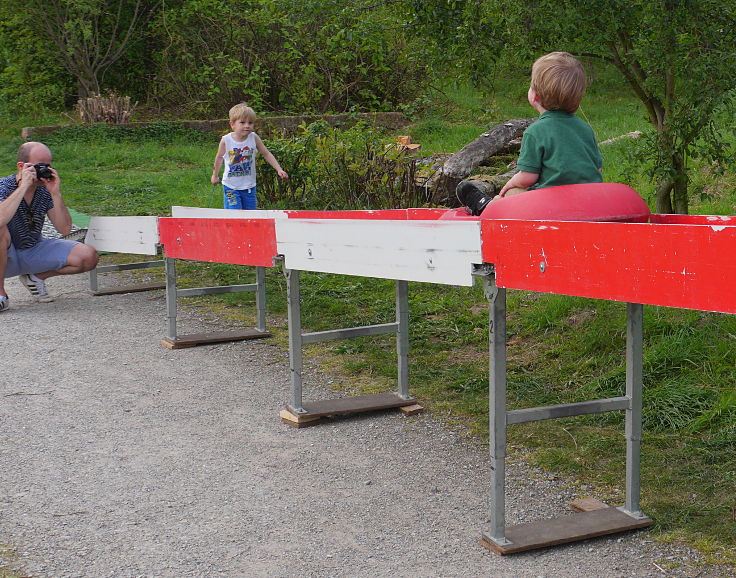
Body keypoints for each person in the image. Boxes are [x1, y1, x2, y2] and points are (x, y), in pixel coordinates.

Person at [0, 142, 99, 310]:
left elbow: (65, 229)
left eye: (48, 165)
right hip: (6, 253)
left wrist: (55, 193)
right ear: (21, 166)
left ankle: (36, 277)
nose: (43, 170)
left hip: (31, 248)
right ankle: (1, 293)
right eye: (39, 166)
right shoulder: (3, 186)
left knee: (88, 256)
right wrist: (23, 186)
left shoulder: (44, 191)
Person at [497, 51, 603, 197]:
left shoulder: (535, 132)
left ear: (535, 96)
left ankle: (483, 205)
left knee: (511, 194)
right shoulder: (585, 129)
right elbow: (597, 170)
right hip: (588, 198)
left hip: (552, 201)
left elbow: (527, 178)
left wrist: (510, 183)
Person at [211, 103, 288, 210]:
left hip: (249, 187)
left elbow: (266, 153)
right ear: (232, 124)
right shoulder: (226, 140)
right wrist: (215, 175)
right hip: (231, 186)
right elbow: (219, 157)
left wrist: (279, 169)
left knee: (250, 215)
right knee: (234, 214)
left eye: (250, 123)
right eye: (242, 122)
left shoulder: (254, 138)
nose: (247, 125)